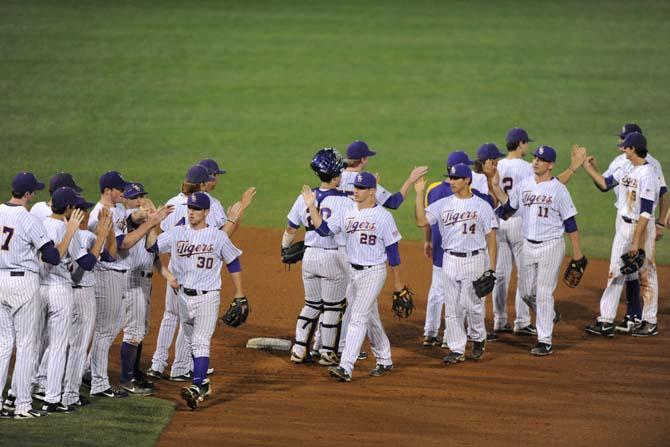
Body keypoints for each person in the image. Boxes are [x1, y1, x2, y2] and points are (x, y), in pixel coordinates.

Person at [147, 164, 254, 381]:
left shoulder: (172, 202)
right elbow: (216, 240)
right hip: (195, 272)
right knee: (193, 326)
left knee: (170, 316)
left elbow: (166, 240)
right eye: (213, 177)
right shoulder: (210, 205)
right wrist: (237, 214)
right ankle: (181, 366)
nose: (216, 180)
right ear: (203, 183)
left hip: (176, 268)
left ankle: (157, 364)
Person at [304, 172, 407, 382]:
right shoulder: (348, 213)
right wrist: (312, 206)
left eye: (361, 189)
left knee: (357, 317)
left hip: (374, 271)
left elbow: (394, 254)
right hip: (352, 272)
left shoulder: (384, 217)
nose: (356, 191)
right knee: (370, 317)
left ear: (372, 191)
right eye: (356, 188)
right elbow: (324, 231)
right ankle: (385, 358)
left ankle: (346, 366)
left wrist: (398, 285)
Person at [485, 146, 584, 356]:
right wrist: (494, 190)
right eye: (535, 158)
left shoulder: (559, 190)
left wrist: (578, 254)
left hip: (551, 245)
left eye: (541, 159)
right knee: (526, 292)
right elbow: (509, 209)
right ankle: (548, 315)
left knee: (543, 292)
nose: (536, 162)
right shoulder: (525, 185)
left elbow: (571, 223)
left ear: (550, 165)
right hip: (528, 244)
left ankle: (545, 340)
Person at [151, 192, 245, 409]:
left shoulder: (217, 236)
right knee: (193, 342)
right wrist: (152, 222)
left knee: (201, 341)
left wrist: (240, 293)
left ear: (206, 212)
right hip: (183, 296)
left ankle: (195, 385)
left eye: (197, 209)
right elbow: (151, 248)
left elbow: (233, 262)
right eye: (190, 209)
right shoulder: (176, 233)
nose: (192, 213)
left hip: (208, 297)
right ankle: (203, 384)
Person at [87, 171, 171, 398]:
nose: (124, 193)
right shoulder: (101, 213)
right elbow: (123, 243)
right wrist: (152, 221)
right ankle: (123, 379)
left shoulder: (118, 210)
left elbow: (130, 225)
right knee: (112, 331)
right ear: (108, 190)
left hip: (122, 274)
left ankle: (96, 372)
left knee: (119, 329)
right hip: (113, 275)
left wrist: (145, 218)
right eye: (120, 190)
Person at [415, 164, 498, 364]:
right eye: (450, 178)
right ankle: (457, 348)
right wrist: (418, 194)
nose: (451, 182)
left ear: (467, 180)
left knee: (472, 304)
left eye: (456, 178)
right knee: (452, 307)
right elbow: (420, 221)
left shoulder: (482, 205)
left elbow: (491, 239)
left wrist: (491, 269)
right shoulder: (443, 204)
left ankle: (478, 337)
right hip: (449, 259)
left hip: (474, 259)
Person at [582, 132, 660, 336]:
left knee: (646, 273)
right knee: (615, 270)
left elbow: (645, 210)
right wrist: (589, 169)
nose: (621, 149)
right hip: (624, 227)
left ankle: (650, 321)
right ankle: (606, 320)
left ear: (633, 149)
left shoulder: (648, 173)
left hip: (641, 228)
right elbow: (606, 183)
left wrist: (636, 240)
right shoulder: (627, 166)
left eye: (625, 147)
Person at [32, 187, 99, 413]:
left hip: (37, 288)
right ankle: (52, 398)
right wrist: (100, 239)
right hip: (59, 289)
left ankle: (19, 393)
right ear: (69, 208)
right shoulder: (67, 229)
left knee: (33, 343)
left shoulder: (39, 223)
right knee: (59, 345)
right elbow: (87, 263)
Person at [0, 172, 61, 418]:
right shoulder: (27, 219)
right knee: (26, 345)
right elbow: (52, 256)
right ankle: (23, 405)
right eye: (33, 191)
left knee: (3, 344)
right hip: (22, 283)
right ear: (27, 194)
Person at [284, 148, 350, 366]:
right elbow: (327, 231)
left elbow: (291, 228)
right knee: (332, 307)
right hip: (332, 258)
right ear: (334, 175)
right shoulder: (344, 201)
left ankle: (299, 349)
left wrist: (284, 249)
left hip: (309, 257)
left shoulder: (303, 196)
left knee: (311, 304)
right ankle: (327, 352)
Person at [490, 129, 535, 335]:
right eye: (526, 143)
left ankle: (499, 320)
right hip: (518, 222)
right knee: (524, 272)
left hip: (499, 221)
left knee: (501, 273)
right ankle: (522, 321)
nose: (528, 147)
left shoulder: (497, 164)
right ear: (520, 144)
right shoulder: (527, 168)